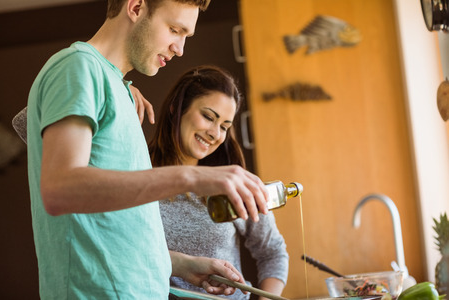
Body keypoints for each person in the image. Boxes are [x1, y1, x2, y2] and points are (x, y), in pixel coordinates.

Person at [26, 0, 271, 298]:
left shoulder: (111, 84)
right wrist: (189, 178)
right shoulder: (77, 67)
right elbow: (59, 189)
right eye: (174, 29)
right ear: (136, 7)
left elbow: (114, 228)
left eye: (186, 36)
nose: (180, 48)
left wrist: (181, 264)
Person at [148, 65, 289, 300]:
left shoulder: (231, 184)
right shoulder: (135, 175)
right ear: (176, 109)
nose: (215, 133)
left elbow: (273, 253)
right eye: (208, 117)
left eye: (224, 126)